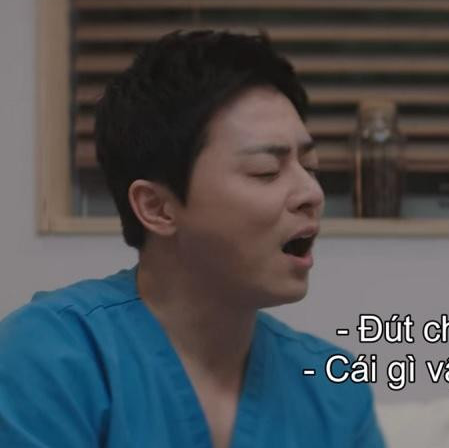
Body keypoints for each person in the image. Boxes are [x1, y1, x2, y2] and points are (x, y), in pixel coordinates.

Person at [0, 31, 385, 447]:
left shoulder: (334, 391)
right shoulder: (50, 358)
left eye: (310, 166)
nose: (312, 193)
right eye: (266, 171)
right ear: (157, 208)